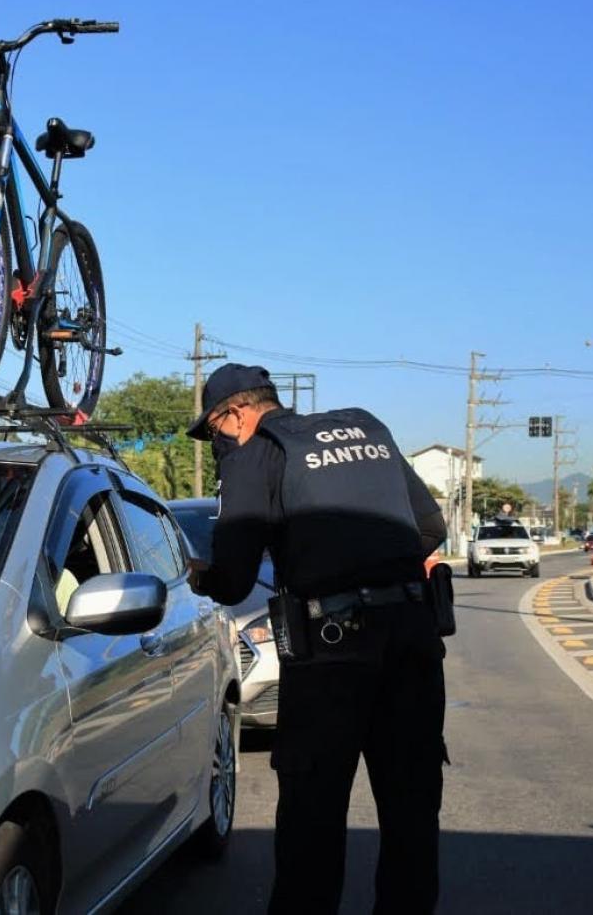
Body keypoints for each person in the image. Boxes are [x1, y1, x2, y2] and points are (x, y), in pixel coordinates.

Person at [186, 363, 448, 915]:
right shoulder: (366, 428)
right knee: (411, 819)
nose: (217, 445)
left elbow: (233, 580)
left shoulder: (255, 453)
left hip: (331, 653)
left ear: (234, 414)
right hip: (413, 642)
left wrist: (199, 574)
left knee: (312, 822)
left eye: (213, 433)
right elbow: (431, 528)